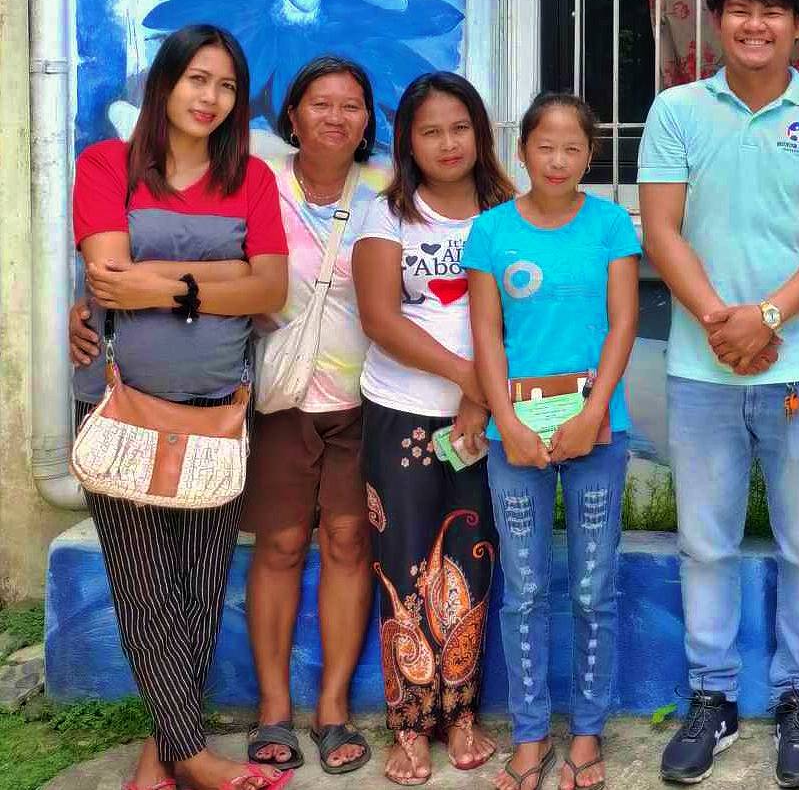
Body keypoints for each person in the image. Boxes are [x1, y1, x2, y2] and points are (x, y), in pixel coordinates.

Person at [638, 0, 799, 787]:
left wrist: (767, 317)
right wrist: (718, 320)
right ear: (716, 21)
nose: (755, 25)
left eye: (773, 12)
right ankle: (713, 696)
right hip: (704, 369)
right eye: (739, 9)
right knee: (705, 541)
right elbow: (661, 229)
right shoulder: (676, 111)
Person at [71, 23, 291, 790]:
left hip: (217, 410)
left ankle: (161, 753)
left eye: (227, 85)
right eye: (198, 79)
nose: (211, 97)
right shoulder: (107, 165)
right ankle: (192, 754)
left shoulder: (251, 180)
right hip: (124, 407)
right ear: (164, 82)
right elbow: (107, 277)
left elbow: (271, 288)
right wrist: (219, 270)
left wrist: (168, 282)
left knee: (199, 588)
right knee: (144, 587)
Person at [463, 93, 641, 790]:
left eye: (572, 147)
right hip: (518, 434)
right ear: (522, 151)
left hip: (598, 430)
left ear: (590, 155)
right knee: (526, 586)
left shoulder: (609, 226)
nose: (558, 159)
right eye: (545, 145)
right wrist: (505, 420)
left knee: (594, 586)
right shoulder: (492, 231)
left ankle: (589, 731)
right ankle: (532, 733)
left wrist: (594, 411)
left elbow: (623, 322)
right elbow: (486, 332)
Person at [352, 72, 513, 785]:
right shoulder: (387, 214)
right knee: (405, 563)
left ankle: (462, 712)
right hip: (401, 412)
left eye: (459, 127)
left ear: (479, 131)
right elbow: (382, 319)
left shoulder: (509, 210)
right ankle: (410, 724)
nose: (448, 143)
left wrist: (481, 397)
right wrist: (465, 376)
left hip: (489, 418)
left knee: (472, 561)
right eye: (430, 130)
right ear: (407, 141)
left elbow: (518, 315)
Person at [241, 58, 388, 775]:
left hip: (367, 400)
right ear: (292, 115)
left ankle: (332, 709)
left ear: (368, 120)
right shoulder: (259, 187)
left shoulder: (388, 190)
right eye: (320, 104)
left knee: (348, 541)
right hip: (281, 399)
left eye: (352, 105)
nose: (336, 117)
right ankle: (272, 707)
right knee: (278, 545)